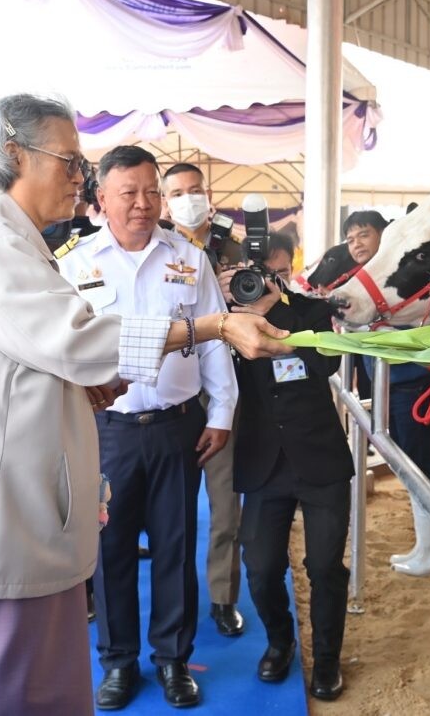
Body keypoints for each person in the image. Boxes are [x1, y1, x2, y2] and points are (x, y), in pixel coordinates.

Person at [0, 94, 290, 716]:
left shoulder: (24, 242)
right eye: (71, 163)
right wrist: (211, 327)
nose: (80, 180)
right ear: (14, 154)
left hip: (34, 503)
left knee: (43, 681)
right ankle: (124, 660)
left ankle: (168, 656)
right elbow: (78, 339)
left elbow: (33, 358)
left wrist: (81, 384)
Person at [57, 145, 239, 710]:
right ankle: (116, 661)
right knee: (108, 548)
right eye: (128, 193)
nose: (142, 204)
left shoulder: (188, 258)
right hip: (105, 432)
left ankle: (172, 659)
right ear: (101, 200)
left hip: (175, 428)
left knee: (174, 545)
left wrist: (222, 413)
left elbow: (215, 340)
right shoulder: (75, 264)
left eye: (150, 192)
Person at [219, 232, 352, 701]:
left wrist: (275, 311)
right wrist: (223, 308)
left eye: (271, 274)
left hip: (321, 460)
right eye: (253, 276)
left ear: (286, 269)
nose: (260, 283)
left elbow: (326, 362)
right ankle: (280, 641)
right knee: (260, 565)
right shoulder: (227, 321)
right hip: (263, 465)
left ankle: (328, 661)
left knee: (325, 567)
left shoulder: (310, 311)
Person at [162, 161, 246, 638]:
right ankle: (175, 601)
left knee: (224, 505)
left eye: (194, 190)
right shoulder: (155, 247)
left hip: (223, 390)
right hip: (170, 395)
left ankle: (221, 596)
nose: (187, 198)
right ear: (165, 198)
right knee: (168, 513)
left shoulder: (236, 245)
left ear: (206, 193)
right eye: (177, 192)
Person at [341, 210, 430, 576]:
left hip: (414, 379)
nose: (356, 243)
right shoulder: (368, 279)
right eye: (350, 238)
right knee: (406, 464)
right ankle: (428, 544)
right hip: (390, 381)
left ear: (388, 234)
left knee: (421, 465)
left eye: (363, 235)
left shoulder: (409, 274)